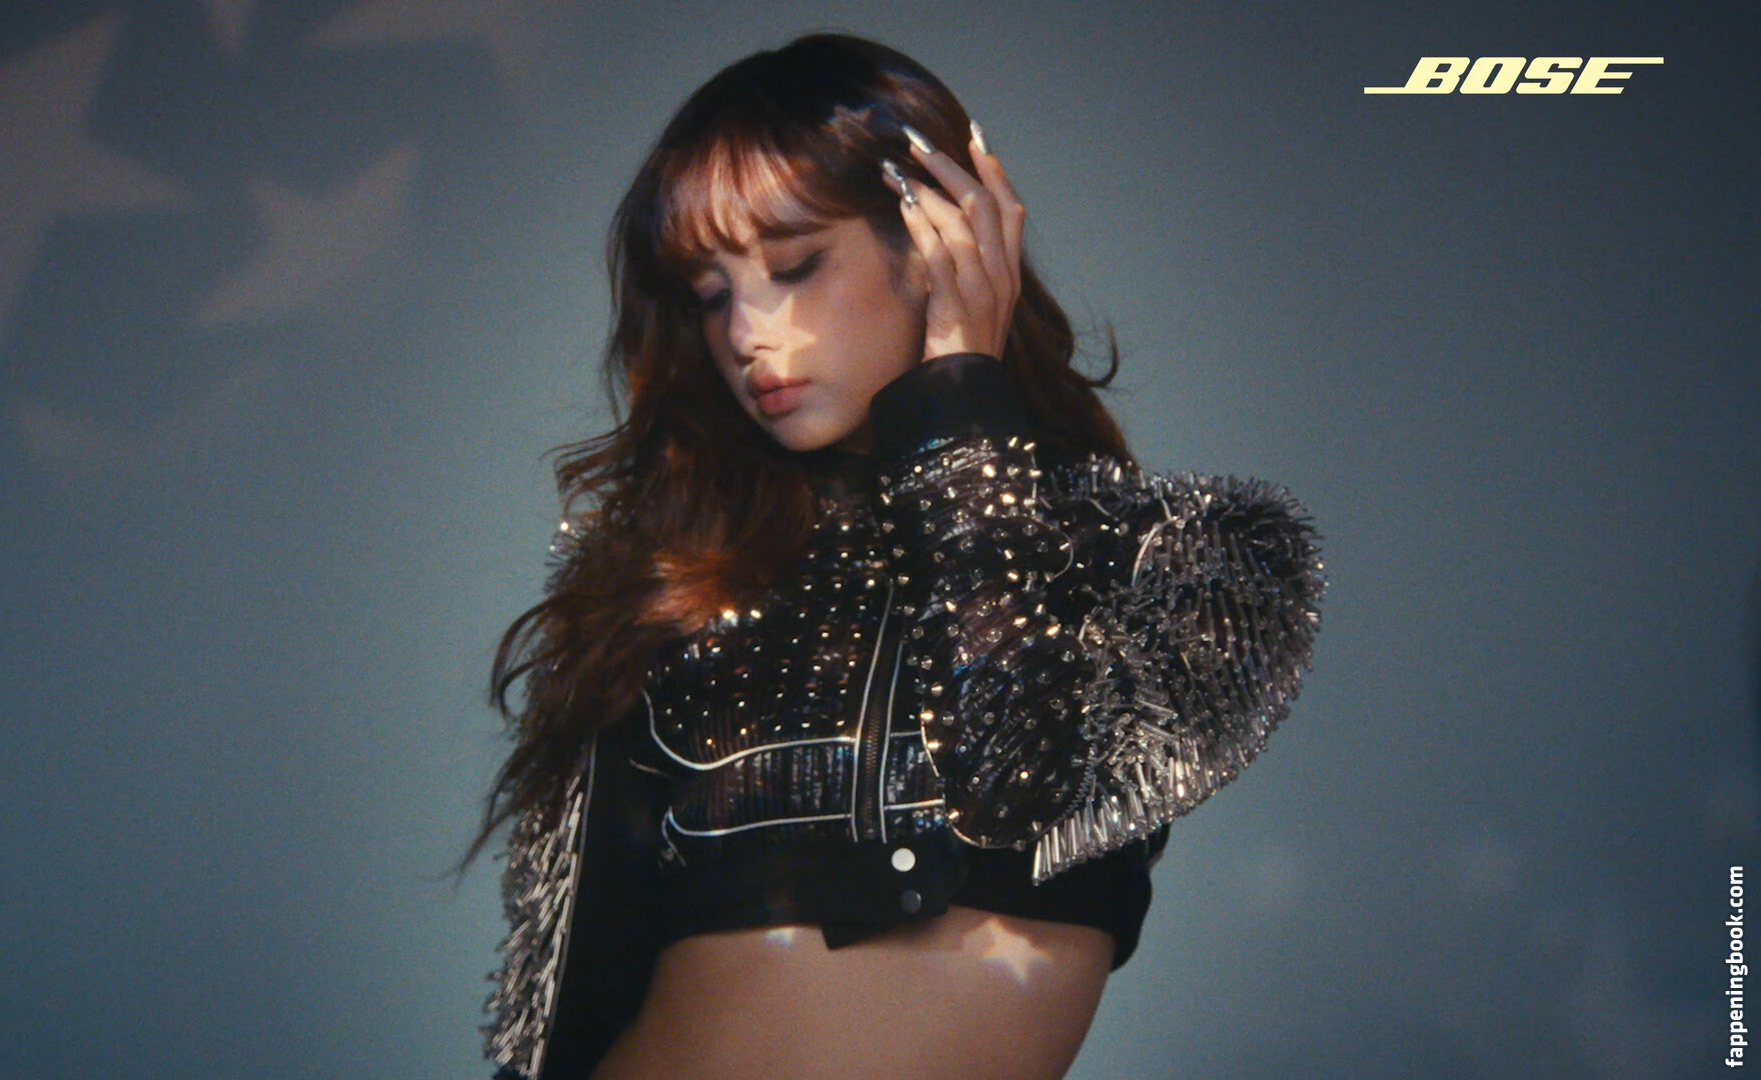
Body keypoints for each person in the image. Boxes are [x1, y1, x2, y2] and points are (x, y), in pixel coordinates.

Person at [471, 33, 1325, 1080]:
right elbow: (570, 997)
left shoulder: (1170, 559)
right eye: (710, 292)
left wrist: (961, 393)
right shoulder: (680, 583)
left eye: (794, 266)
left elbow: (1015, 781)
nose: (745, 333)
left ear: (936, 238)